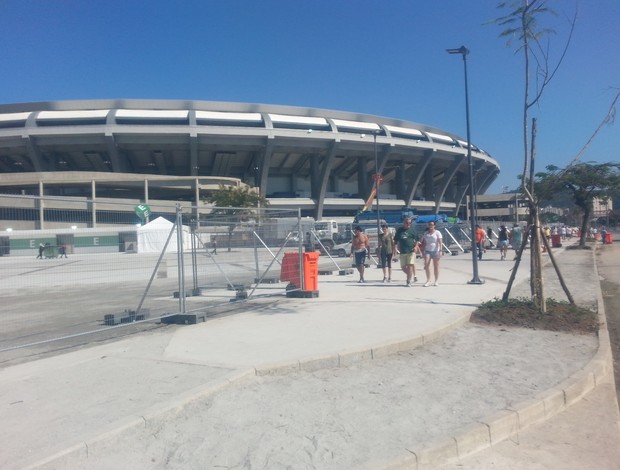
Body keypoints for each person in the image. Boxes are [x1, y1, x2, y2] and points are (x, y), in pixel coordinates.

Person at [394, 217, 418, 287]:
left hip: (411, 251)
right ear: (404, 223)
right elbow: (395, 240)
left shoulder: (413, 230)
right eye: (407, 223)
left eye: (410, 223)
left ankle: (408, 280)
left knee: (410, 265)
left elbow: (417, 239)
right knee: (403, 267)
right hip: (403, 251)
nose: (408, 224)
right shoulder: (400, 230)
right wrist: (395, 248)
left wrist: (416, 247)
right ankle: (410, 275)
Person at [420, 221, 442, 286]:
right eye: (429, 224)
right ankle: (428, 280)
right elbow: (423, 242)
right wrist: (423, 251)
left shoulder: (437, 232)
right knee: (426, 265)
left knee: (436, 265)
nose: (431, 226)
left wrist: (440, 250)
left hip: (435, 250)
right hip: (427, 250)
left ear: (434, 225)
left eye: (432, 225)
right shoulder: (426, 233)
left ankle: (436, 280)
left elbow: (440, 242)